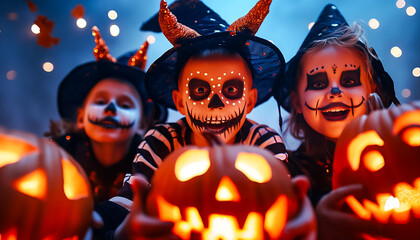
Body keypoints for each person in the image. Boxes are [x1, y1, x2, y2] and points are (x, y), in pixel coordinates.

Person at [94, 0, 316, 239]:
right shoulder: (163, 141)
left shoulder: (263, 142)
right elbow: (128, 202)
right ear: (180, 102)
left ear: (250, 101)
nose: (216, 104)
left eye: (231, 90)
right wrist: (96, 224)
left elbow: (279, 204)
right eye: (200, 91)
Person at [273, 3, 399, 239]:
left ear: (373, 91)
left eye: (349, 81)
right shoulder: (287, 174)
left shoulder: (400, 157)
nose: (334, 91)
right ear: (297, 102)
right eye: (318, 84)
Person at [51, 26, 167, 204]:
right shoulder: (57, 155)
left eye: (125, 105)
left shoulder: (150, 162)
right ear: (81, 118)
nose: (111, 108)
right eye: (100, 101)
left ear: (143, 125)